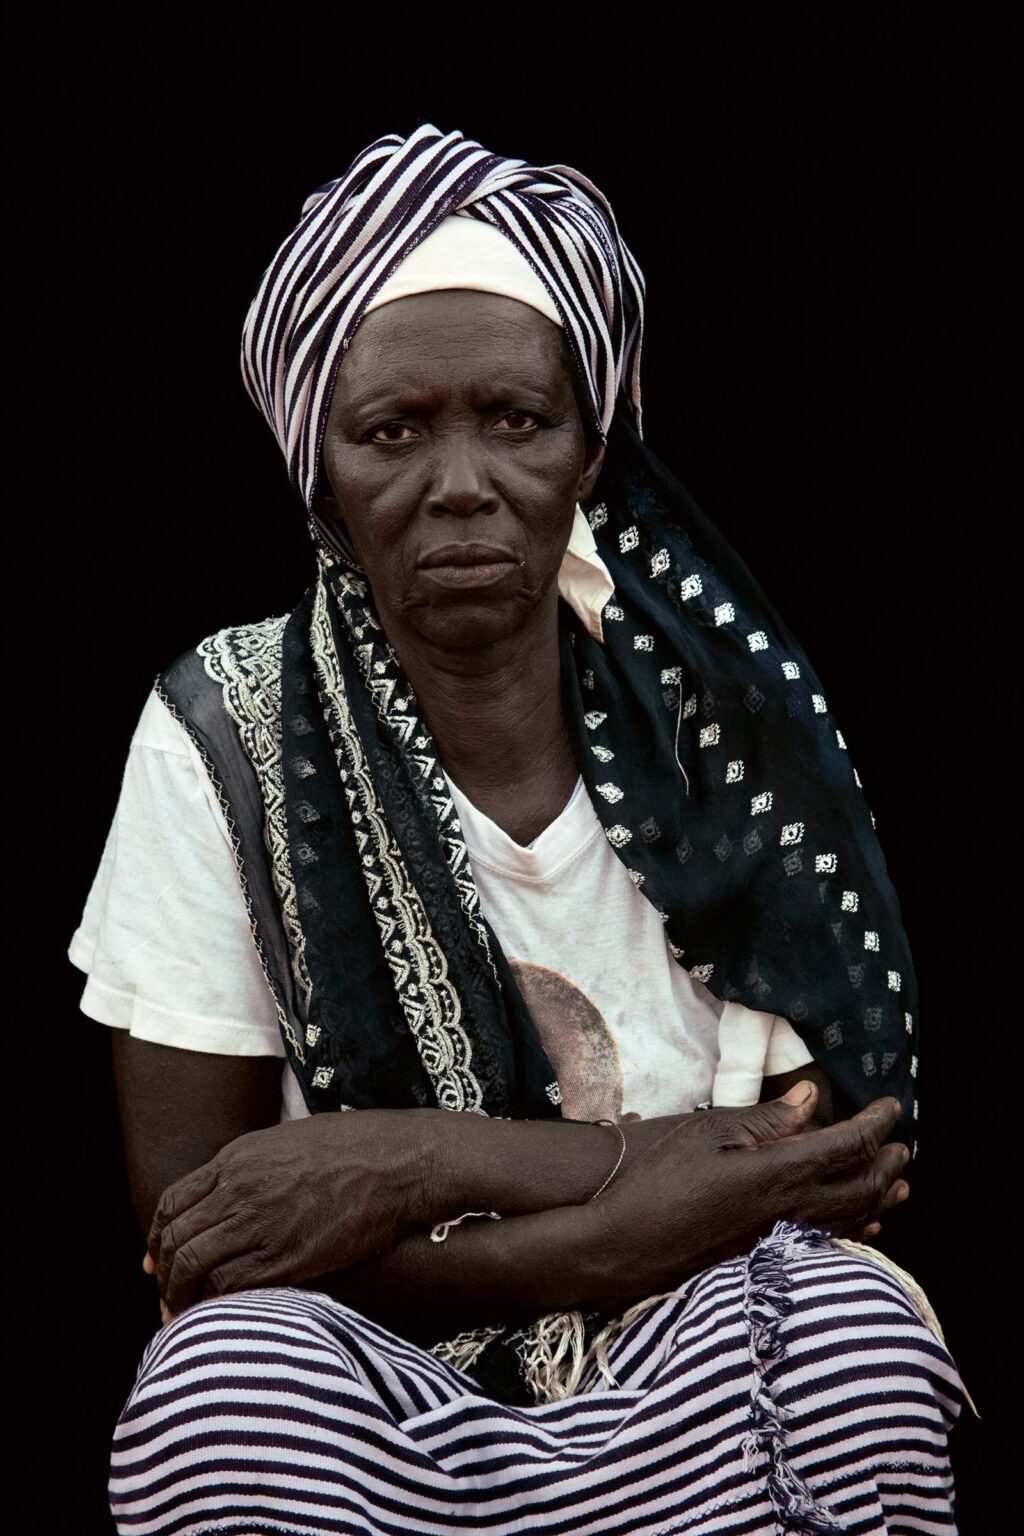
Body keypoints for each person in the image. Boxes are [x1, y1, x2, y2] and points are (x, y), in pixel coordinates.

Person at [71, 123, 964, 1534]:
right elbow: (200, 1245)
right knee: (222, 1381)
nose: (463, 482)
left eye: (517, 420)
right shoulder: (221, 734)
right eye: (391, 433)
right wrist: (616, 1202)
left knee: (845, 1330)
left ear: (590, 449)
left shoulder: (723, 718)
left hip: (692, 1354)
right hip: (374, 1386)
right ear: (321, 477)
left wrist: (406, 1162)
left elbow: (842, 1154)